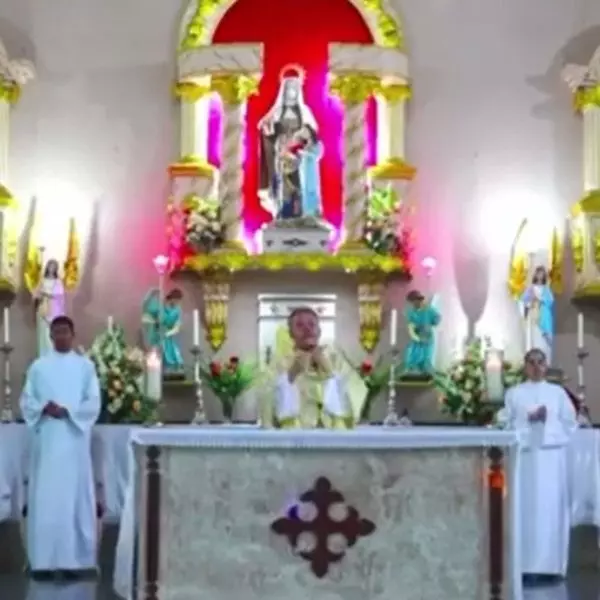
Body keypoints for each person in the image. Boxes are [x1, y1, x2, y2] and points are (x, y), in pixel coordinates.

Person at [20, 315, 101, 580]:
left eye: (65, 331)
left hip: (73, 441)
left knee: (74, 498)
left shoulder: (85, 367)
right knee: (46, 498)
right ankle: (42, 562)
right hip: (48, 442)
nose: (61, 336)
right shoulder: (38, 367)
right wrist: (43, 408)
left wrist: (69, 412)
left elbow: (93, 401)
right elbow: (27, 399)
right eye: (56, 332)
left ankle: (75, 561)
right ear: (51, 335)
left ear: (73, 334)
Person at [498, 348, 577, 581]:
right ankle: (522, 566)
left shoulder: (558, 393)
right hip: (525, 459)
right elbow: (505, 421)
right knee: (524, 510)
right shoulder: (514, 393)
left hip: (550, 460)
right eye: (530, 362)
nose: (535, 366)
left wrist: (546, 429)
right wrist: (527, 425)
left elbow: (570, 424)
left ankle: (550, 567)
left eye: (540, 362)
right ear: (524, 366)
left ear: (546, 365)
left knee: (549, 511)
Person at [259, 306, 366, 428]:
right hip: (296, 436)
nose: (307, 329)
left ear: (319, 330)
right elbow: (266, 400)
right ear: (290, 334)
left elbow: (356, 392)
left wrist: (330, 372)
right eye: (299, 325)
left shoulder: (336, 359)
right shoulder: (280, 364)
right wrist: (289, 377)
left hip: (335, 434)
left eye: (312, 324)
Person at [258, 67, 323, 220]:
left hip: (298, 153)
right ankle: (283, 212)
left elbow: (313, 132)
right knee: (282, 183)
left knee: (299, 183)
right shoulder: (277, 111)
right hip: (281, 151)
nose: (292, 92)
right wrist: (267, 130)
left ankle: (301, 214)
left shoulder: (304, 111)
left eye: (295, 88)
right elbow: (264, 127)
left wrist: (303, 137)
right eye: (289, 88)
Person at [141, 287, 185, 373]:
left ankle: (170, 373)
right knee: (156, 357)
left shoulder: (177, 311)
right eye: (176, 300)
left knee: (172, 357)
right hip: (156, 336)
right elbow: (145, 310)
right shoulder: (160, 307)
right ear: (172, 298)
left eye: (179, 301)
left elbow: (177, 327)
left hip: (167, 337)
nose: (177, 303)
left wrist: (167, 333)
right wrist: (151, 293)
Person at [520, 266, 554, 364]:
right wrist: (530, 302)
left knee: (543, 341)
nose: (539, 275)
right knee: (534, 338)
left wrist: (540, 299)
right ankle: (532, 361)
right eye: (538, 273)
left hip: (543, 317)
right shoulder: (530, 289)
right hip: (533, 317)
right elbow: (523, 301)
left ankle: (544, 361)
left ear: (544, 276)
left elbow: (550, 302)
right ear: (535, 274)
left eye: (542, 273)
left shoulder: (546, 289)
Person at [402, 290, 441, 374]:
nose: (415, 303)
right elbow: (411, 327)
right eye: (412, 301)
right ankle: (413, 372)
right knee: (414, 358)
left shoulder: (429, 309)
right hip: (417, 339)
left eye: (417, 300)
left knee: (427, 359)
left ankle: (426, 373)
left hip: (428, 339)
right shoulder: (411, 312)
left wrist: (431, 320)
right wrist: (416, 337)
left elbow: (437, 319)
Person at [35, 259, 66, 357]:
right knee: (43, 335)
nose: (51, 268)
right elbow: (36, 294)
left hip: (54, 310)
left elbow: (60, 295)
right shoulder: (42, 281)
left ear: (56, 269)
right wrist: (40, 295)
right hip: (43, 309)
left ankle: (52, 356)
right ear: (47, 267)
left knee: (51, 335)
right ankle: (43, 355)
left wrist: (47, 293)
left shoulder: (58, 282)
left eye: (54, 267)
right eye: (50, 266)